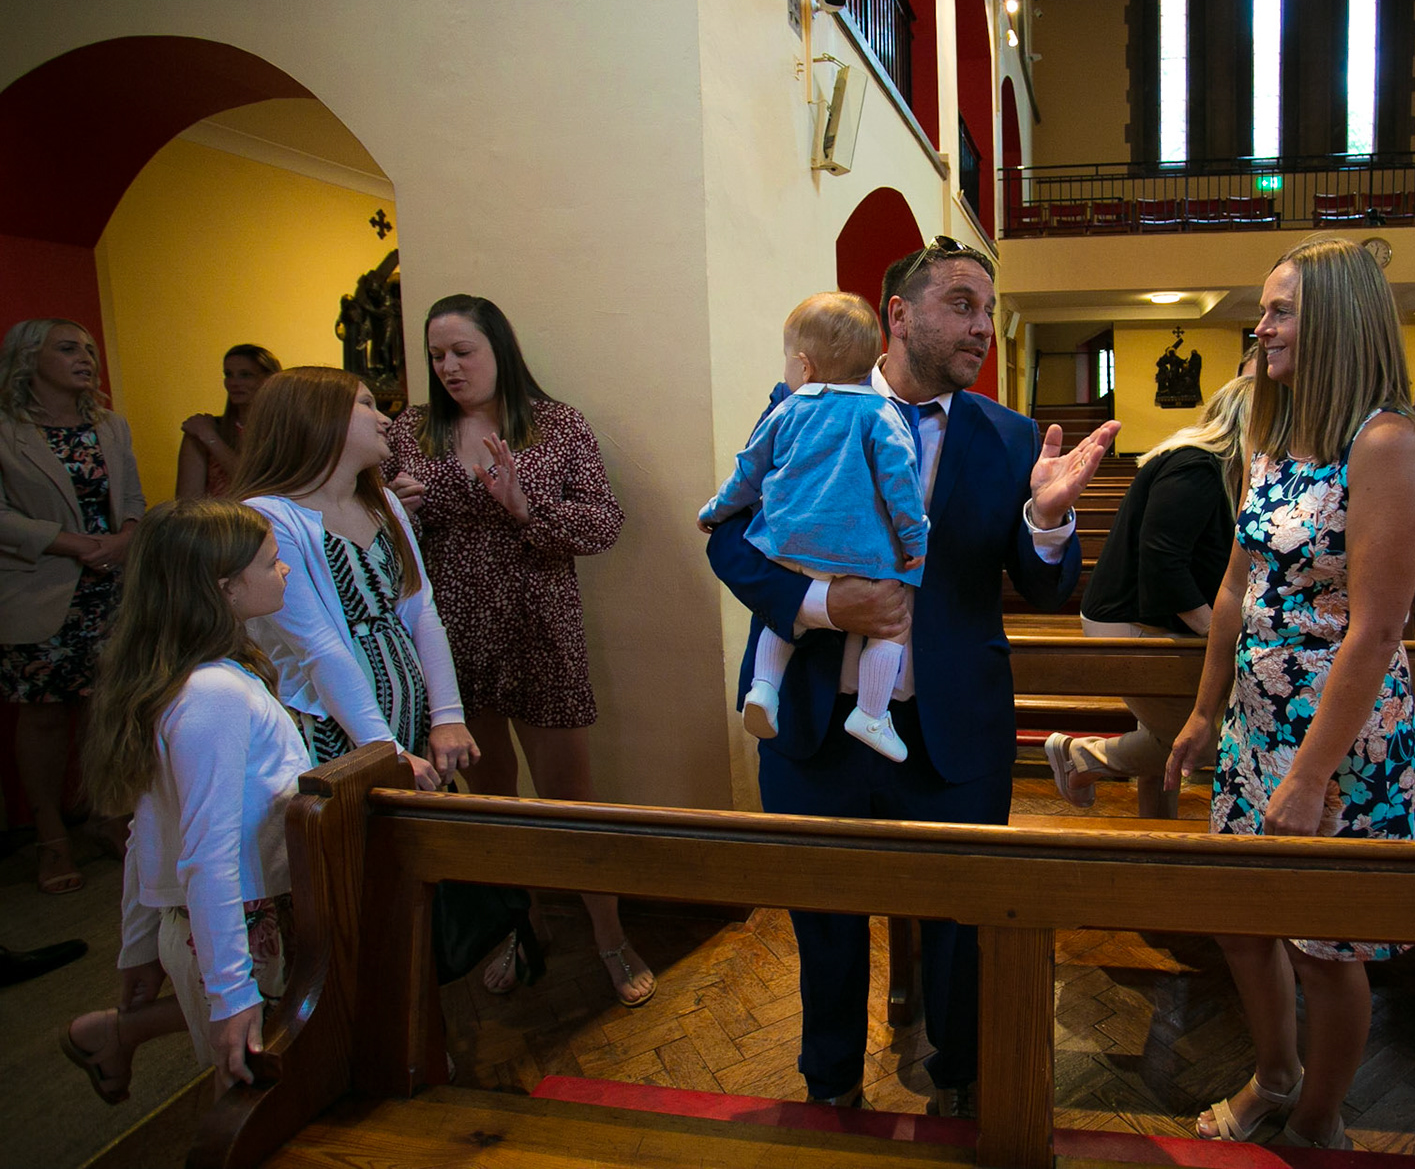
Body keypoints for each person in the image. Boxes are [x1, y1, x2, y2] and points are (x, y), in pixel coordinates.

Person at [706, 236, 1120, 1114]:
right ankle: (831, 1088)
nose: (982, 327)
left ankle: (964, 1079)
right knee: (824, 920)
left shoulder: (1006, 440)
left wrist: (1048, 520)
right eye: (962, 305)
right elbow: (730, 538)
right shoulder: (806, 406)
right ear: (898, 314)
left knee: (964, 927)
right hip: (814, 722)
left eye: (987, 309)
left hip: (947, 729)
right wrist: (824, 606)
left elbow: (1047, 585)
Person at [1166, 236, 1415, 1150]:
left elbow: (1378, 629)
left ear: (1336, 321)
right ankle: (1275, 1074)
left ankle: (1320, 1113)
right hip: (1253, 725)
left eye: (1281, 310)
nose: (1263, 325)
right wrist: (1206, 711)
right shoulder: (1274, 436)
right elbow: (1237, 591)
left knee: (1326, 948)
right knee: (1241, 922)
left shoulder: (1388, 442)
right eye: (1266, 308)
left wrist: (1312, 776)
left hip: (1341, 741)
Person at [383, 295, 648, 1008]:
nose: (448, 368)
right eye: (437, 355)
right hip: (451, 639)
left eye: (462, 352)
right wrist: (392, 511)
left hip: (540, 628)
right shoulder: (411, 431)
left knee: (573, 805)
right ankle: (520, 930)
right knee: (494, 809)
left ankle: (609, 935)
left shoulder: (557, 425)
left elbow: (604, 524)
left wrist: (526, 508)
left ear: (500, 348)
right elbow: (370, 532)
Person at [60, 500, 304, 1103]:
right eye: (272, 563)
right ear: (223, 588)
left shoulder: (204, 675)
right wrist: (231, 994)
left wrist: (137, 948)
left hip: (232, 923)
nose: (286, 573)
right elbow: (205, 852)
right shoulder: (212, 693)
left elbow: (148, 834)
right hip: (243, 929)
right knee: (259, 1102)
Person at [699, 292, 927, 761]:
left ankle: (764, 687)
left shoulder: (790, 409)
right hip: (858, 554)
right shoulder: (880, 414)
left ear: (804, 366)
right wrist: (913, 539)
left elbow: (748, 472)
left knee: (783, 616)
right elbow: (901, 484)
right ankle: (870, 711)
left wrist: (714, 512)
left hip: (787, 545)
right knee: (891, 629)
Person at [231, 367, 474, 795]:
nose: (385, 419)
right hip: (338, 729)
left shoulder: (382, 504)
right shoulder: (272, 516)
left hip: (409, 722)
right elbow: (316, 645)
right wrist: (384, 749)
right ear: (317, 417)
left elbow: (420, 610)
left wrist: (448, 716)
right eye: (367, 404)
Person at [1051, 374, 1254, 818]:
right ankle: (1079, 757)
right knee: (1204, 741)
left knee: (1166, 733)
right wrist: (1216, 631)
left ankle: (1156, 836)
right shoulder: (1197, 465)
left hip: (1150, 617)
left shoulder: (1209, 464)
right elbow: (1163, 559)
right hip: (1127, 619)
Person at [0, 319, 144, 894]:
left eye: (88, 349)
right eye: (68, 349)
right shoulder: (7, 431)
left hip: (112, 586)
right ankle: (51, 837)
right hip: (39, 587)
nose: (86, 358)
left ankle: (109, 815)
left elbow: (131, 497)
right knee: (43, 717)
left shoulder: (109, 426)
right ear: (29, 359)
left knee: (109, 708)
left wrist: (123, 539)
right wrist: (74, 544)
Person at [174, 344, 281, 499]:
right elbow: (187, 501)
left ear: (268, 379)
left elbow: (257, 484)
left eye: (245, 375)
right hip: (214, 521)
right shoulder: (204, 430)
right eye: (228, 374)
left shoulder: (283, 432)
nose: (234, 383)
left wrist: (210, 438)